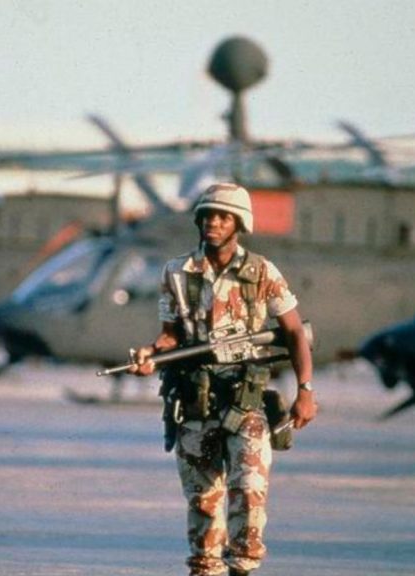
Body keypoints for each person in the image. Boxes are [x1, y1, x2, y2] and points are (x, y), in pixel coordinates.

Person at [128, 182, 317, 576]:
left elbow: (296, 332)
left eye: (223, 216)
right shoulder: (177, 272)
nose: (213, 223)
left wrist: (305, 391)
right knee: (203, 501)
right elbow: (170, 335)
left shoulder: (262, 272)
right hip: (195, 401)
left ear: (239, 223)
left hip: (245, 400)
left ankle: (242, 569)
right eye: (207, 216)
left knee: (249, 491)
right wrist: (151, 354)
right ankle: (205, 569)